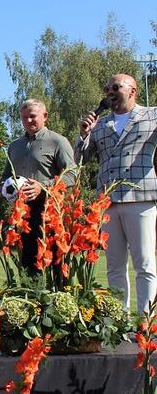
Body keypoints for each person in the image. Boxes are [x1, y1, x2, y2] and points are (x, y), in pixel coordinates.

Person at [77, 74, 157, 313]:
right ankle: (118, 321)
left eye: (115, 87)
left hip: (140, 198)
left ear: (132, 90)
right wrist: (83, 135)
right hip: (108, 202)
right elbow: (80, 159)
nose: (109, 91)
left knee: (144, 264)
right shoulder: (100, 124)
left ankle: (147, 322)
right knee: (114, 266)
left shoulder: (152, 115)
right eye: (106, 88)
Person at [2, 99, 76, 273]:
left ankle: (56, 298)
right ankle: (29, 297)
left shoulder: (58, 141)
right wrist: (6, 190)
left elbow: (72, 175)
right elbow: (6, 176)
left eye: (33, 116)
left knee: (53, 262)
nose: (28, 121)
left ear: (45, 116)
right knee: (27, 262)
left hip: (49, 211)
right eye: (24, 117)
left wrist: (42, 187)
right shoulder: (14, 146)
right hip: (22, 212)